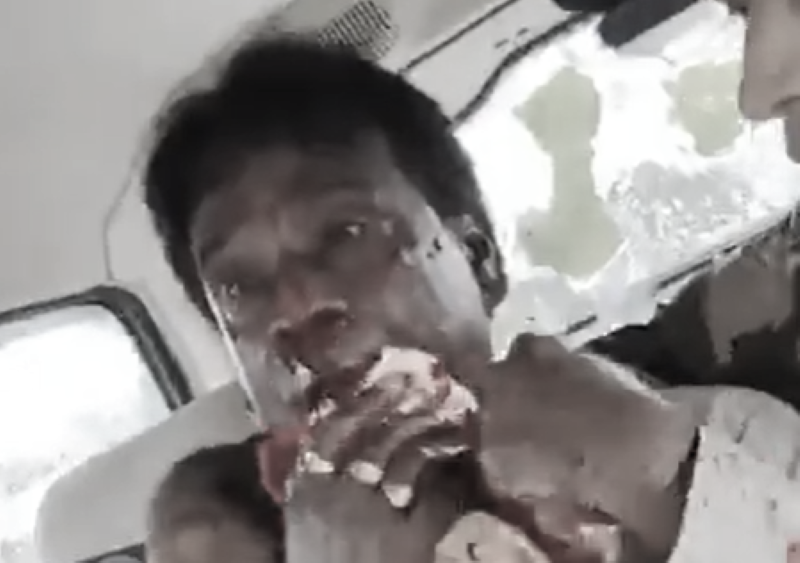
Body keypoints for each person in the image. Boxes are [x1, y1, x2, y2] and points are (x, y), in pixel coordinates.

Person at [142, 37, 701, 563]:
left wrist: (669, 496)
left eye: (347, 234)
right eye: (239, 288)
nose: (296, 308)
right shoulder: (225, 535)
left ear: (478, 261)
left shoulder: (688, 442)